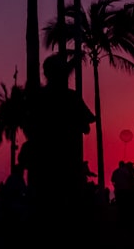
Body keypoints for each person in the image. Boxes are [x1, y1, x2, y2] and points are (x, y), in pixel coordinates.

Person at [21, 54, 96, 215]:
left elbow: (29, 123)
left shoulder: (38, 97)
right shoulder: (71, 97)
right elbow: (89, 120)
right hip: (66, 165)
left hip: (42, 167)